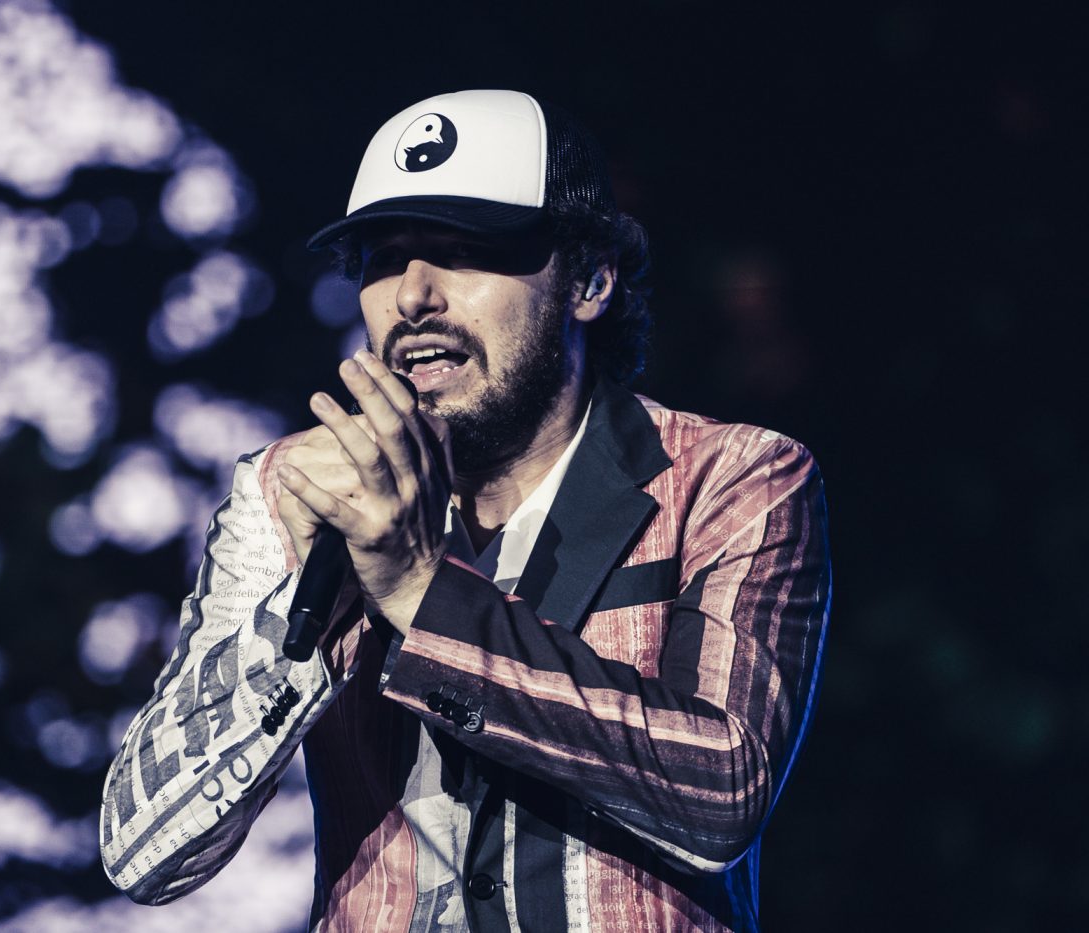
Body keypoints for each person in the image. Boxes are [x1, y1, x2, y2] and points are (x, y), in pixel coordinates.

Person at [99, 89, 831, 932]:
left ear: (590, 280)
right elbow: (142, 851)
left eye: (465, 251)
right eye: (384, 258)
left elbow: (725, 790)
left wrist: (422, 595)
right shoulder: (287, 486)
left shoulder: (734, 477)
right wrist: (309, 606)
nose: (413, 295)